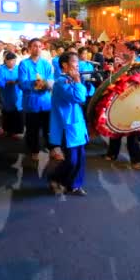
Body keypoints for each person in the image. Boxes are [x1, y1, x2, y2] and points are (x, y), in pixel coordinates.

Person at [48, 52, 89, 196]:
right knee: (71, 160)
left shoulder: (72, 79)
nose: (77, 65)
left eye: (78, 62)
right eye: (74, 62)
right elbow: (78, 97)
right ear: (64, 65)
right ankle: (55, 178)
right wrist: (78, 81)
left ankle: (75, 185)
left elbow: (88, 93)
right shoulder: (60, 82)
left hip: (78, 125)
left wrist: (84, 82)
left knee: (81, 159)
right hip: (67, 127)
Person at [18, 38, 54, 161]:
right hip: (31, 102)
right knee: (32, 129)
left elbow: (51, 80)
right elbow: (22, 84)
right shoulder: (24, 64)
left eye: (39, 46)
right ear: (29, 48)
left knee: (48, 128)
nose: (37, 48)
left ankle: (52, 149)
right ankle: (34, 150)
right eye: (34, 46)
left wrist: (46, 84)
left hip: (45, 102)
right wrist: (34, 83)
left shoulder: (46, 64)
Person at [0, 52, 23, 138]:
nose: (11, 63)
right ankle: (5, 129)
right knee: (7, 113)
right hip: (6, 94)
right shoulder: (1, 69)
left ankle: (15, 131)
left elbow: (23, 79)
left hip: (18, 94)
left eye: (13, 61)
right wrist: (6, 82)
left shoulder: (18, 68)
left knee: (17, 113)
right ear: (5, 61)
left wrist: (19, 82)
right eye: (9, 61)